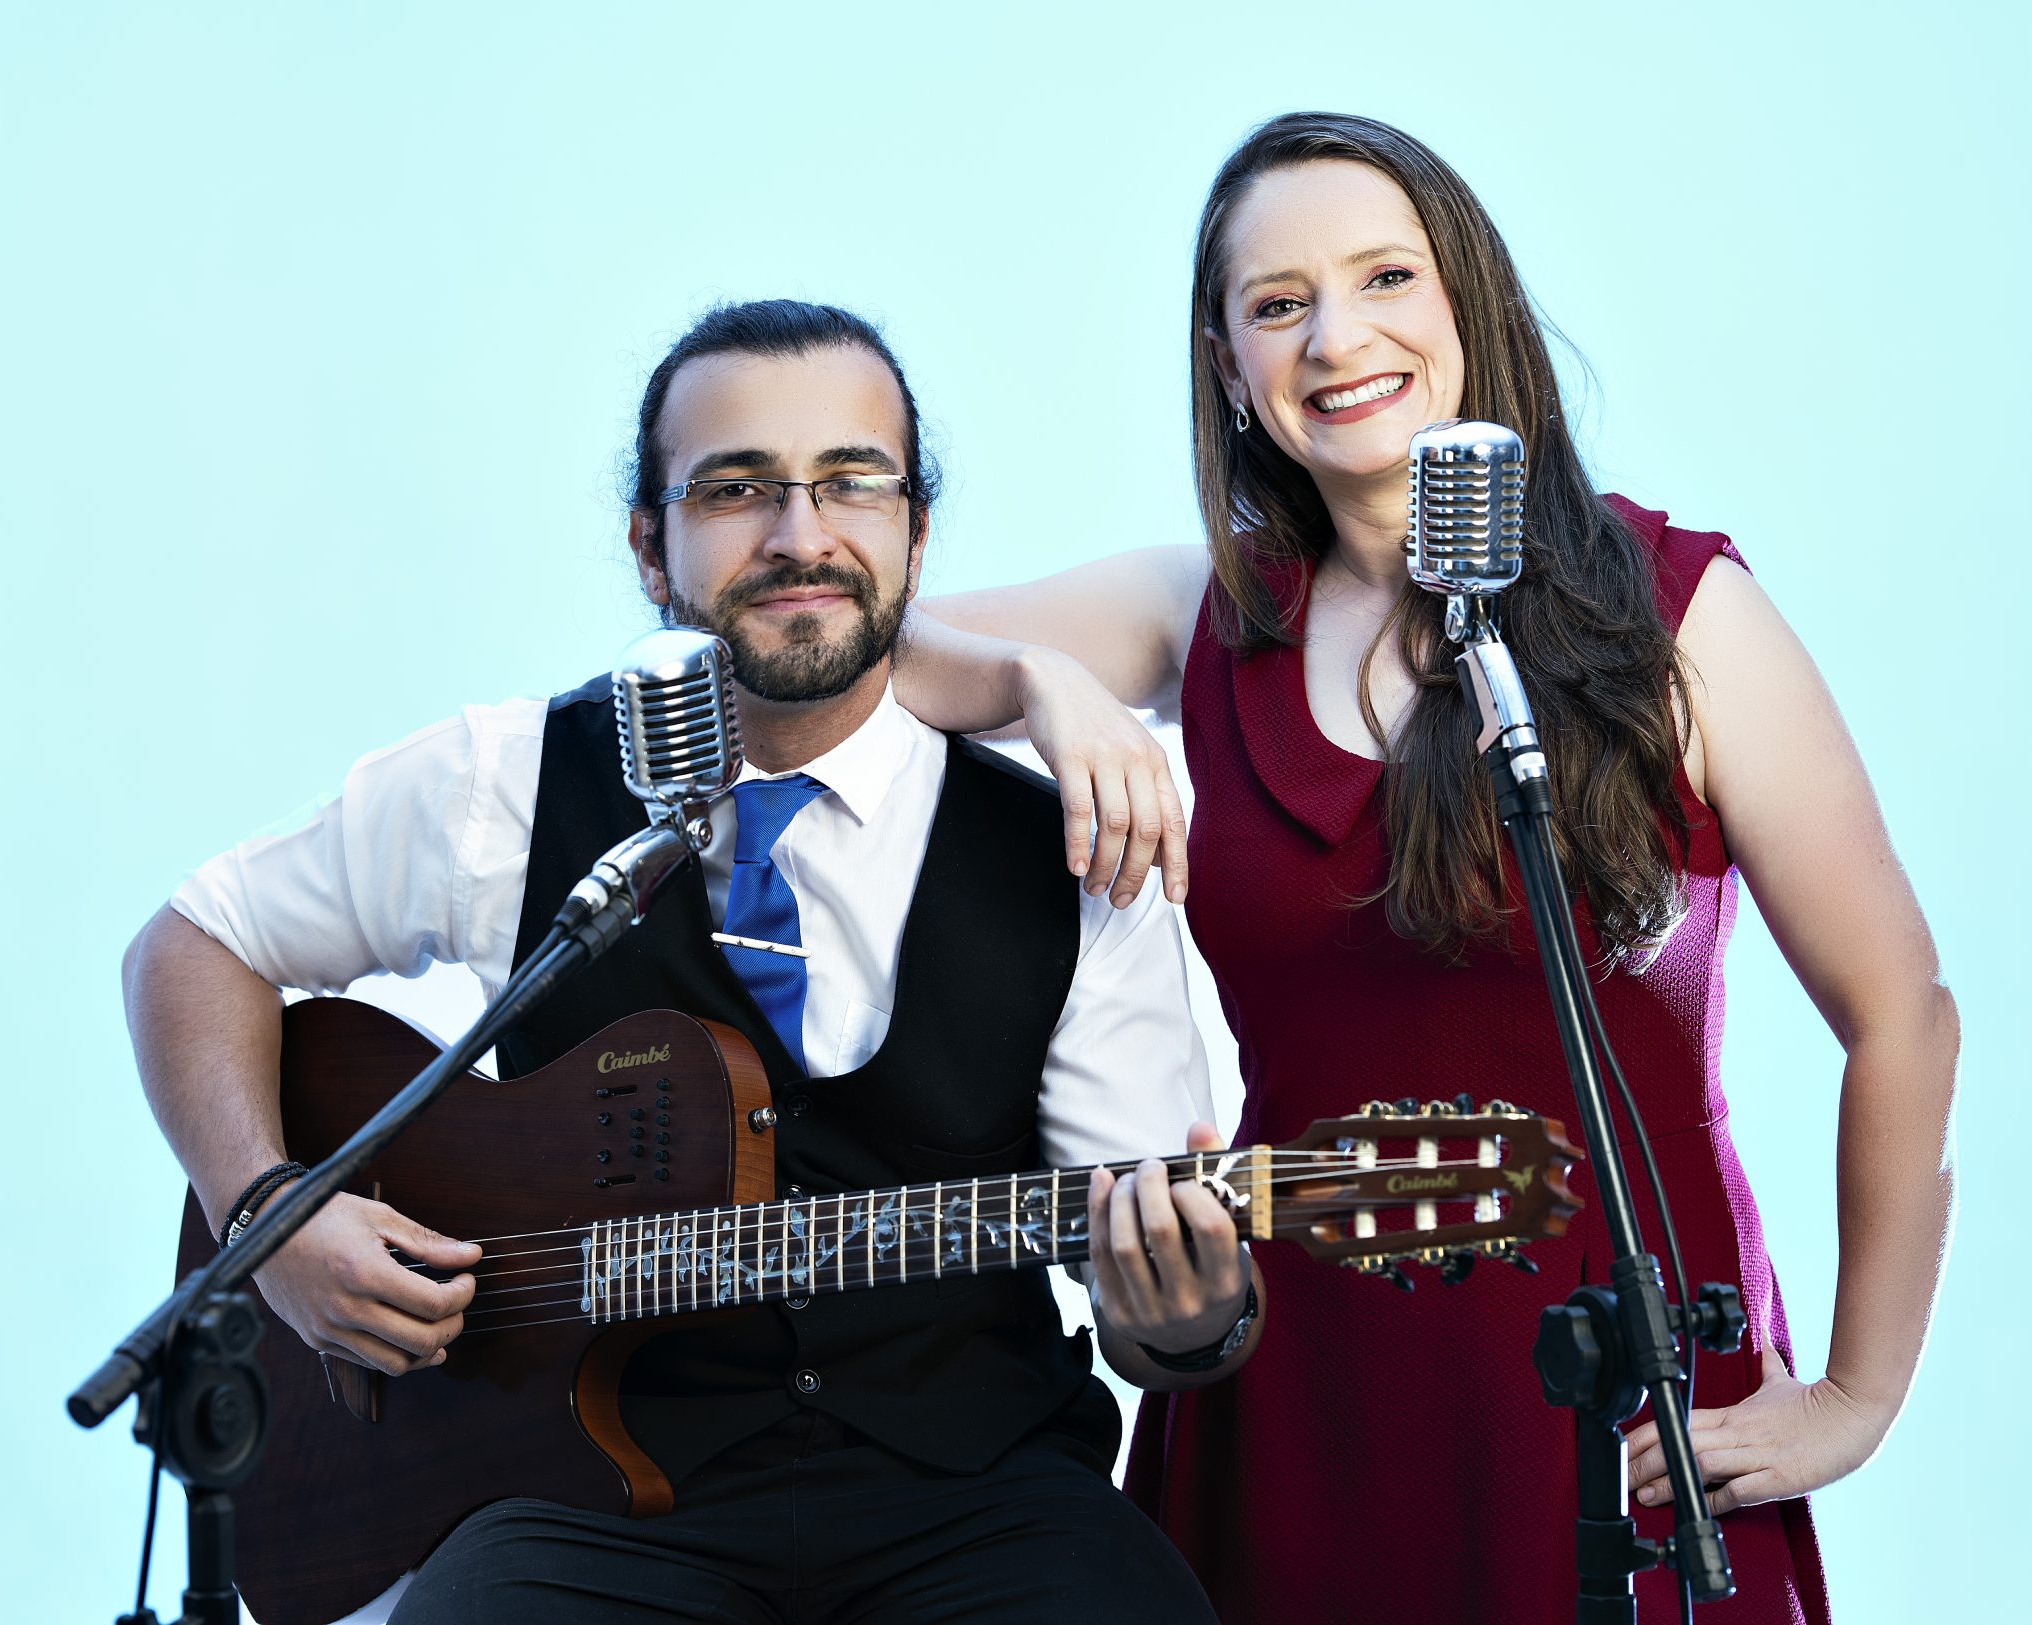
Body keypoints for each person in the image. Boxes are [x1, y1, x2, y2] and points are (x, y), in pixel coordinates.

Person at [892, 113, 1961, 1623]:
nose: (1337, 337)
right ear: (1228, 364)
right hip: (1293, 1387)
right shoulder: (1197, 612)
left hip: (1615, 1390)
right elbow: (855, 664)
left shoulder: (1675, 613)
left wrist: (1857, 1393)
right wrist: (1034, 686)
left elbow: (1901, 1011)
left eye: (1385, 276)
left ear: (1468, 304)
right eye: (1279, 303)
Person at [122, 299, 1262, 1625]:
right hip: (584, 1503)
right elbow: (192, 943)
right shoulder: (510, 783)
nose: (799, 533)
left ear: (916, 530)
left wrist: (1185, 1311)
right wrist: (270, 1212)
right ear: (649, 546)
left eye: (850, 481)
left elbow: (1147, 1309)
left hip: (978, 1494)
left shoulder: (1075, 847)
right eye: (735, 489)